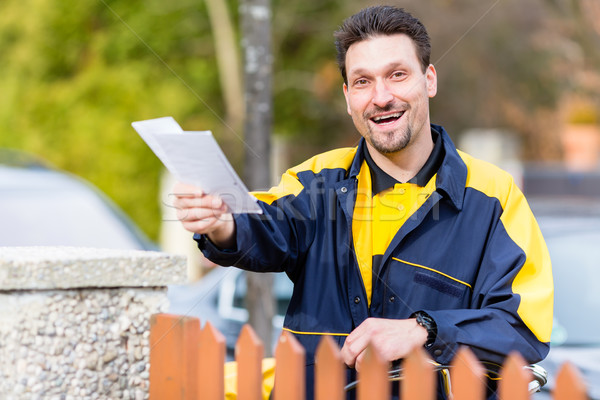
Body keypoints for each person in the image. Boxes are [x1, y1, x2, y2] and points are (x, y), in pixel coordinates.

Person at [172, 5, 553, 399]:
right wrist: (222, 224)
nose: (381, 97)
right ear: (348, 97)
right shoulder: (316, 180)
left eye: (397, 75)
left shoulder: (494, 196)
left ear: (429, 79)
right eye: (363, 81)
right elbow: (266, 224)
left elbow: (523, 327)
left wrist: (424, 329)